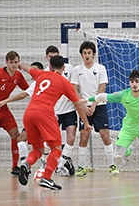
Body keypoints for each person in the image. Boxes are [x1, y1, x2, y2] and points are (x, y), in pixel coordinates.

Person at [18, 55, 92, 190]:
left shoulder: (41, 73)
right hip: (44, 114)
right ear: (64, 68)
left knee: (38, 149)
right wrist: (86, 123)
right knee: (56, 149)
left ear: (50, 66)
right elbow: (79, 106)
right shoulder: (64, 82)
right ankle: (46, 178)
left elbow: (26, 68)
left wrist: (19, 64)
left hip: (29, 113)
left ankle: (26, 164)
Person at [71, 41, 119, 176]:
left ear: (94, 54)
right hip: (83, 108)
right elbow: (74, 89)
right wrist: (83, 106)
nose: (87, 55)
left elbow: (102, 88)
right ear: (81, 55)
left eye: (89, 53)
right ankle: (81, 167)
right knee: (84, 135)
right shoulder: (76, 70)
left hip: (99, 106)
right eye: (84, 53)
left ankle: (112, 165)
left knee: (105, 135)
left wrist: (93, 104)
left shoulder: (100, 68)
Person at [0, 51, 29, 175]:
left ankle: (15, 167)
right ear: (6, 63)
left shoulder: (18, 76)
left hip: (3, 108)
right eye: (11, 62)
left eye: (16, 62)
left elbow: (27, 89)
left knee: (16, 134)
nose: (13, 65)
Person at [0, 62, 49, 168]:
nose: (31, 71)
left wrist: (5, 101)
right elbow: (24, 93)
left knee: (46, 144)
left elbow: (23, 94)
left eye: (34, 69)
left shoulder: (41, 82)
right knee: (22, 139)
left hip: (46, 116)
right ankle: (26, 165)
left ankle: (41, 164)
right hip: (36, 116)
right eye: (31, 69)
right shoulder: (38, 83)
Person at [44, 45, 77, 176]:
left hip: (69, 110)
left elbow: (74, 87)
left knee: (71, 137)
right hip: (54, 112)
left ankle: (61, 164)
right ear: (47, 58)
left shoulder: (68, 68)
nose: (53, 59)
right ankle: (47, 163)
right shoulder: (45, 73)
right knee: (49, 142)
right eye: (51, 57)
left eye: (56, 56)